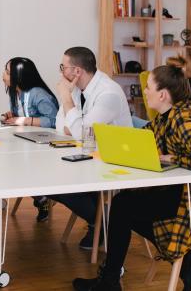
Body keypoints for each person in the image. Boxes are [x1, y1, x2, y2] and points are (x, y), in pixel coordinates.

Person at [73, 55, 191, 291]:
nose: (145, 91)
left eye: (148, 87)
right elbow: (142, 138)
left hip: (189, 199)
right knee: (125, 208)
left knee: (123, 206)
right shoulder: (164, 118)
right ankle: (185, 266)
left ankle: (110, 281)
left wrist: (175, 159)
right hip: (174, 191)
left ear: (162, 94)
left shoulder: (184, 120)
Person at [49, 47, 133, 250]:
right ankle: (99, 221)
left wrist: (67, 101)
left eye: (63, 67)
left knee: (61, 186)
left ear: (76, 71)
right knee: (52, 182)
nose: (61, 73)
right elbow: (60, 124)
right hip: (90, 154)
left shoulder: (108, 93)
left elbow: (79, 131)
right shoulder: (78, 88)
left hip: (113, 160)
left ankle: (102, 223)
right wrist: (76, 123)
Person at [1, 57, 59, 222]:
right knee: (11, 162)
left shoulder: (38, 94)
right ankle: (41, 198)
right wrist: (12, 115)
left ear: (18, 76)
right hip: (27, 142)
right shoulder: (15, 92)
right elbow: (22, 114)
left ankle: (42, 199)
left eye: (7, 71)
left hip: (44, 147)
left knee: (17, 166)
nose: (3, 74)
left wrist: (24, 120)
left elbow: (54, 120)